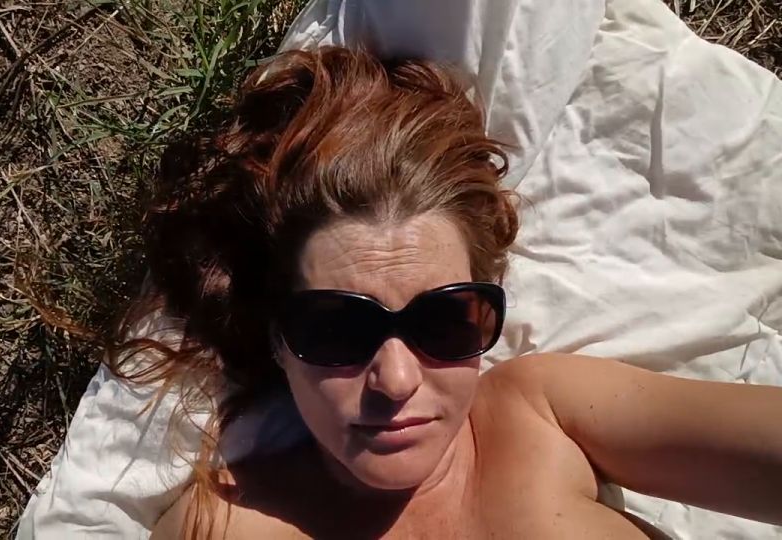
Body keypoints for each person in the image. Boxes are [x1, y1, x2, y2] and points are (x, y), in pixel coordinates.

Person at [106, 47, 782, 539]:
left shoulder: (542, 412)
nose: (397, 380)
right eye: (337, 328)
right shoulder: (233, 526)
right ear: (278, 340)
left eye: (446, 320)